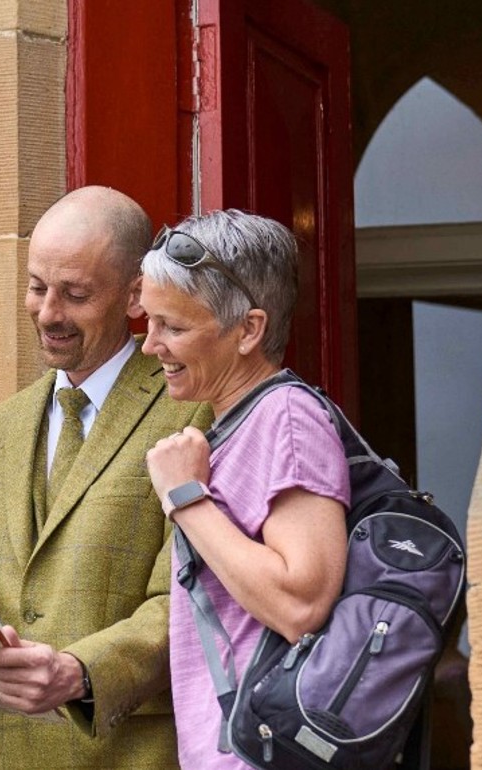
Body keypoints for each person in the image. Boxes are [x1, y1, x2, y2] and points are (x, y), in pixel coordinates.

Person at [0, 186, 210, 768]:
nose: (49, 313)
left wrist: (78, 672)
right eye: (36, 286)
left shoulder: (193, 410)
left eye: (75, 294)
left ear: (134, 295)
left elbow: (197, 599)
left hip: (139, 754)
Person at [138, 209, 352, 769]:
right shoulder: (235, 424)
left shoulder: (285, 418)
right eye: (151, 322)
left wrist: (186, 497)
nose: (149, 346)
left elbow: (300, 602)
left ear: (249, 330)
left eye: (174, 327)